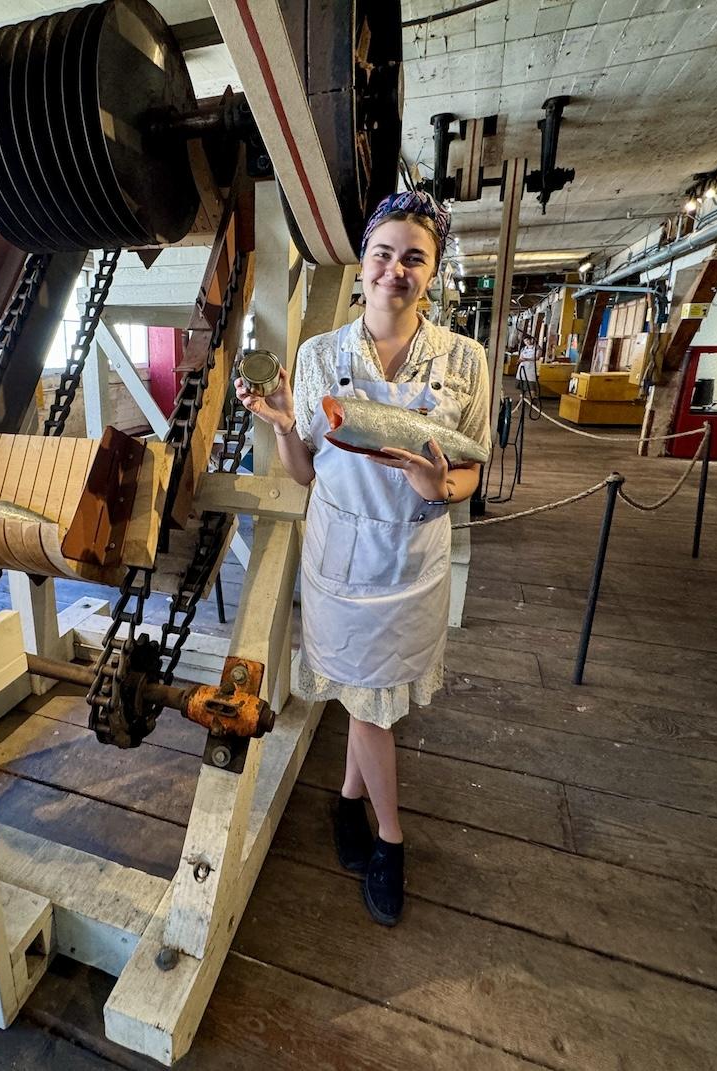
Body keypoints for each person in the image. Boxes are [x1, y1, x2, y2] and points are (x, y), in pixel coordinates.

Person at [235, 191, 491, 926]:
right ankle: (389, 838)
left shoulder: (464, 361)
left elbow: (473, 465)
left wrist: (441, 485)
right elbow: (307, 472)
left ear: (433, 271)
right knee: (368, 700)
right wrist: (286, 425)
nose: (395, 270)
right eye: (383, 254)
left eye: (414, 257)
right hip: (340, 554)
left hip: (413, 550)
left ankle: (349, 802)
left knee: (371, 698)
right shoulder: (319, 356)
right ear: (363, 262)